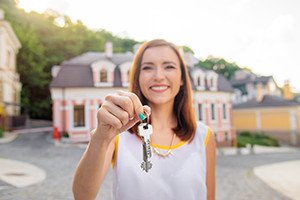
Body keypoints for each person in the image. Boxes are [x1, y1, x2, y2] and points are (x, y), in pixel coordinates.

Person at [72, 39, 216, 200]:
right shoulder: (118, 133)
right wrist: (100, 138)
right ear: (137, 78)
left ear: (182, 77)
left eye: (169, 66)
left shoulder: (204, 136)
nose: (158, 76)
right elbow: (82, 195)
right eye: (148, 67)